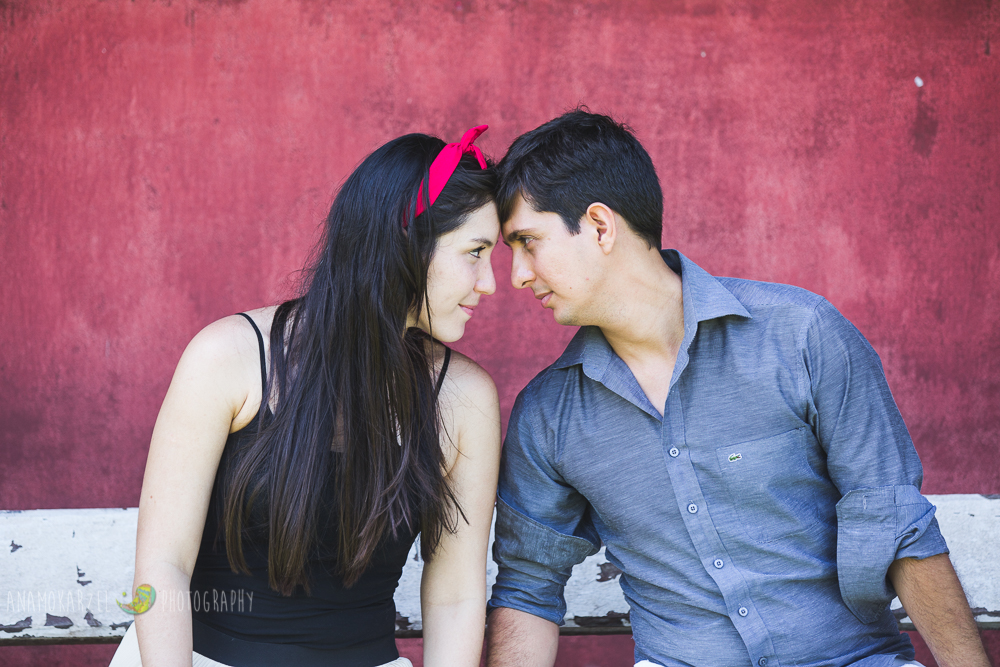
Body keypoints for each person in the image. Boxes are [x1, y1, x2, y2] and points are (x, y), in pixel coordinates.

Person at [485, 110, 990, 667]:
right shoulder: (549, 414)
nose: (517, 276)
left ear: (600, 226)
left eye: (528, 242)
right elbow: (528, 588)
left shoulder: (801, 336)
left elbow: (896, 526)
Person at [110, 126, 503, 667]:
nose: (490, 283)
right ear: (404, 241)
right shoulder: (229, 358)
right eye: (475, 253)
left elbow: (456, 597)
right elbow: (162, 564)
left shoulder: (465, 400)